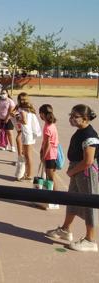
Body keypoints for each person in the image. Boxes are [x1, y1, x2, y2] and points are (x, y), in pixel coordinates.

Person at [46, 104, 99, 252]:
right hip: (78, 170)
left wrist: (72, 171)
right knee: (72, 199)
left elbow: (88, 161)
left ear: (86, 118)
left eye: (75, 117)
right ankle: (65, 229)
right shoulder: (81, 131)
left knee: (89, 203)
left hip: (86, 172)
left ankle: (90, 239)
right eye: (71, 115)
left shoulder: (90, 135)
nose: (71, 119)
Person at [14, 92, 40, 181]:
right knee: (28, 155)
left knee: (27, 155)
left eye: (21, 99)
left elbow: (24, 121)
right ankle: (28, 173)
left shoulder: (22, 109)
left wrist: (17, 118)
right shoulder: (29, 108)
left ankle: (29, 174)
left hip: (27, 133)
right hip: (31, 133)